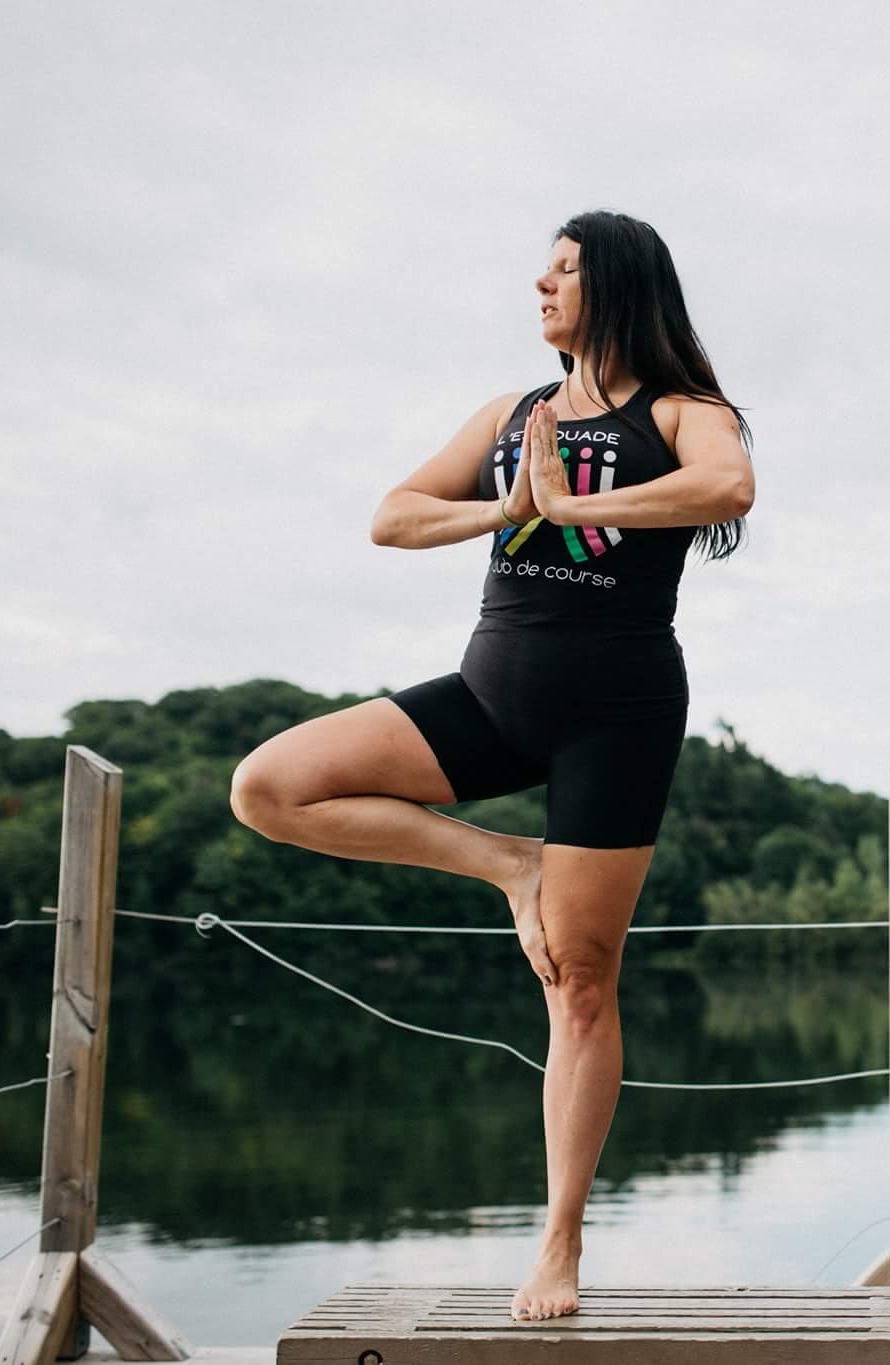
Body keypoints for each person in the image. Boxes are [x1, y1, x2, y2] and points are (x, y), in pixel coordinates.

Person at [229, 210, 754, 1322]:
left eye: (562, 271)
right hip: (488, 697)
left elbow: (726, 490)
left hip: (617, 714)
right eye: (544, 270)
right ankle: (509, 866)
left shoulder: (683, 410)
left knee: (579, 977)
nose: (540, 285)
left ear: (614, 286)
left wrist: (580, 507)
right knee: (269, 785)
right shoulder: (511, 415)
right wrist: (506, 507)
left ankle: (558, 1244)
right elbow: (392, 515)